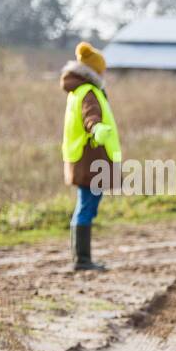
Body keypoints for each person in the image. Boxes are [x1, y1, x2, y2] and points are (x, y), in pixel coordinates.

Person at [60, 41, 121, 272]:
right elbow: (90, 116)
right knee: (87, 206)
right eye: (102, 69)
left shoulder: (78, 90)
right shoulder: (88, 92)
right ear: (94, 70)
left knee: (86, 205)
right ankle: (82, 260)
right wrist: (96, 129)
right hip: (91, 159)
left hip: (84, 158)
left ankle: (81, 258)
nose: (104, 72)